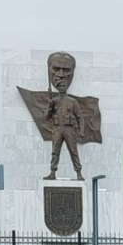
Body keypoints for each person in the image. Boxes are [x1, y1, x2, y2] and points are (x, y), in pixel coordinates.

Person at [43, 52, 85, 181]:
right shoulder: (54, 101)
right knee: (55, 152)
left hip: (68, 129)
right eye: (59, 86)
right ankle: (52, 172)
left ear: (66, 87)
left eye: (63, 86)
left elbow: (80, 117)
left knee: (73, 151)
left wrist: (81, 131)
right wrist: (50, 106)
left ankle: (79, 173)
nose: (61, 87)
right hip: (56, 129)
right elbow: (46, 117)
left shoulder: (72, 102)